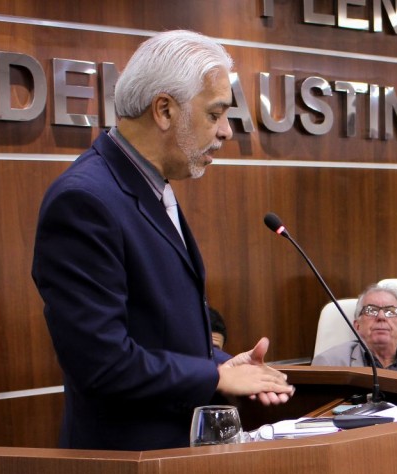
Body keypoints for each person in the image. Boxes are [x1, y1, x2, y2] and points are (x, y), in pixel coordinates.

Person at [32, 30, 293, 451]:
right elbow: (102, 364)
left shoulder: (150, 184)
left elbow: (159, 331)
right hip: (126, 473)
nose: (227, 131)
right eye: (215, 114)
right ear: (165, 110)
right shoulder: (85, 201)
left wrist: (224, 363)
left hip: (172, 466)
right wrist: (214, 376)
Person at [311, 283, 397, 376]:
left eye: (390, 311)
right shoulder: (328, 364)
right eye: (371, 310)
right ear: (357, 326)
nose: (381, 317)